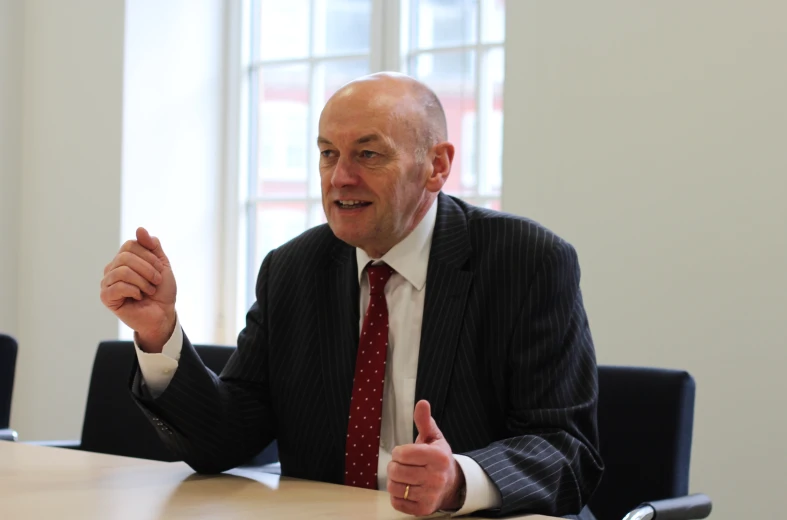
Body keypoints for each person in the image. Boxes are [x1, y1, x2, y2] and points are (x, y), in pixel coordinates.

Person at [100, 72, 603, 519]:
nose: (341, 177)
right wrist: (159, 333)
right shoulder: (292, 269)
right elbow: (223, 440)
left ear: (436, 166)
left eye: (368, 153)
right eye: (327, 154)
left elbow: (567, 448)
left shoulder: (527, 260)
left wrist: (458, 481)